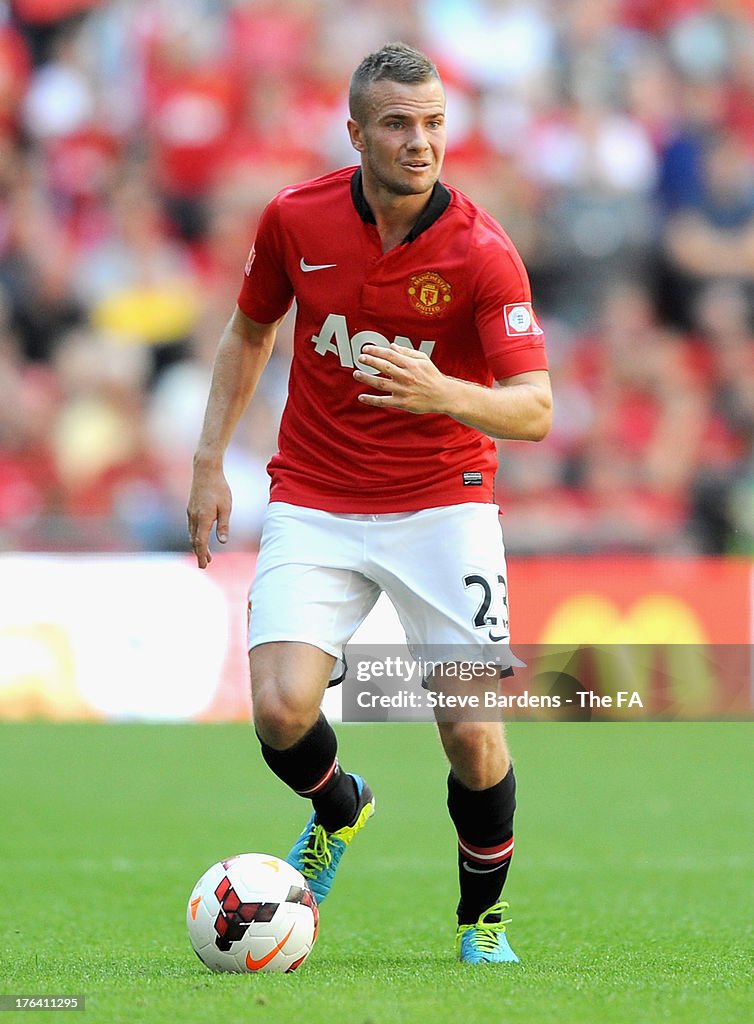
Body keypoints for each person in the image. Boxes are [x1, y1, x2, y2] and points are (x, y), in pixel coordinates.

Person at [187, 42, 552, 964]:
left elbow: (536, 408)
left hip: (444, 502)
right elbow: (248, 332)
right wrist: (207, 462)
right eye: (398, 124)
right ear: (356, 132)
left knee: (470, 732)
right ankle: (338, 805)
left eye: (433, 122)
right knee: (278, 711)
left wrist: (447, 394)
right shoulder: (295, 219)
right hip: (315, 492)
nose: (420, 141)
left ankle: (481, 923)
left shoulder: (480, 251)